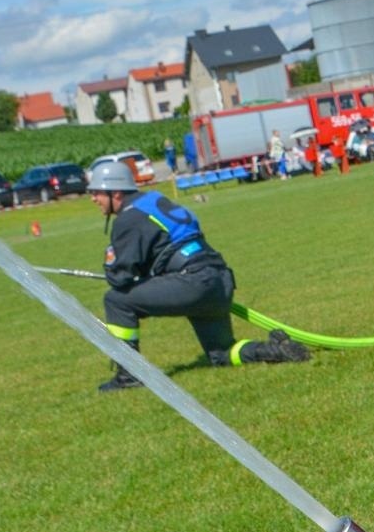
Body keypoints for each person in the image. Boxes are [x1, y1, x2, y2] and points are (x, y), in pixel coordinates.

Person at [85, 161, 307, 392]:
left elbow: (121, 278)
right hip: (218, 280)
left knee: (116, 300)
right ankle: (275, 350)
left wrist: (112, 263)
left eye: (96, 193)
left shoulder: (129, 218)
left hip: (192, 283)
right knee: (221, 354)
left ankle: (129, 374)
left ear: (116, 192)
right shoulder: (152, 200)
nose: (93, 198)